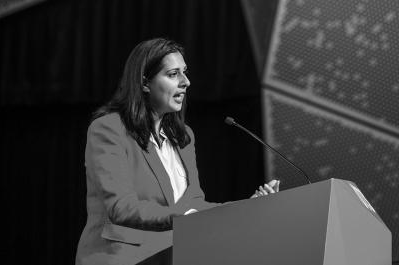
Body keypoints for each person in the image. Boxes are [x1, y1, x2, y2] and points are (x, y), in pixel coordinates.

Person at [75, 38, 279, 265]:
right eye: (173, 74)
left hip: (175, 256)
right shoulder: (109, 128)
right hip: (122, 257)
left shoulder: (183, 137)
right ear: (145, 82)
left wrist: (244, 207)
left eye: (185, 72)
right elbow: (122, 208)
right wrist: (186, 217)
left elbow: (194, 204)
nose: (186, 82)